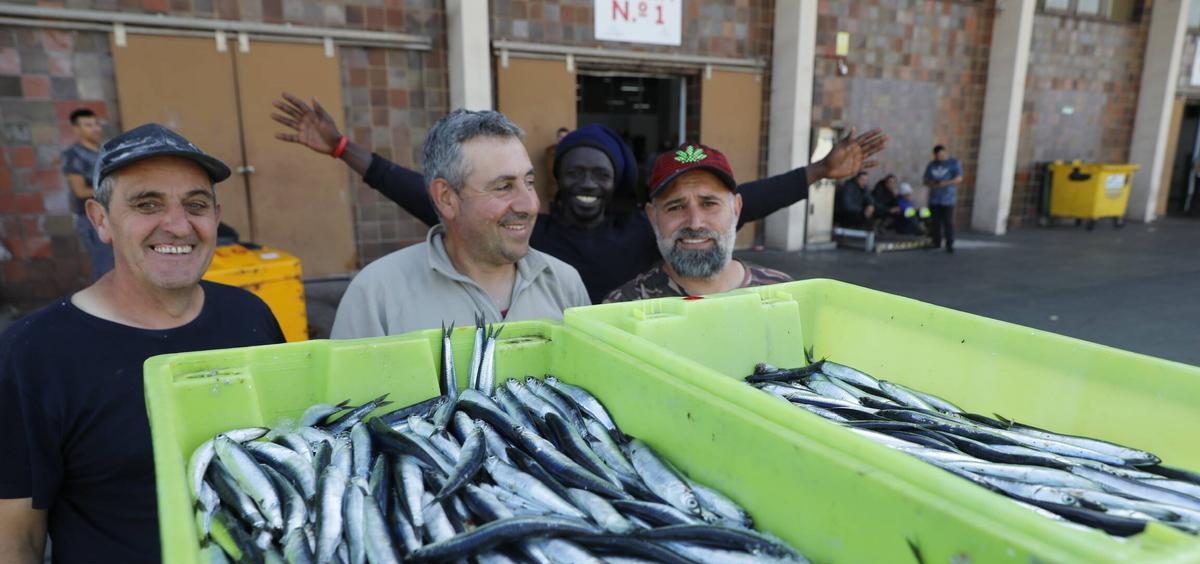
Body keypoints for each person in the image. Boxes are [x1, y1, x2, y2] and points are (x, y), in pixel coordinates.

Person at [0, 124, 285, 564]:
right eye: (147, 204)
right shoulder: (33, 354)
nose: (177, 225)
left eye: (195, 205)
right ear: (101, 221)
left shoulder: (250, 317)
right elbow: (13, 543)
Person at [271, 92, 888, 302]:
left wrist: (816, 173)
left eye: (601, 174)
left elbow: (731, 202)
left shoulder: (640, 232)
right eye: (576, 172)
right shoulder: (528, 230)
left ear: (619, 185)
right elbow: (428, 196)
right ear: (558, 178)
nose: (588, 184)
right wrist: (344, 149)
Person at [330, 109, 589, 338]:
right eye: (503, 187)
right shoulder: (377, 296)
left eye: (529, 183)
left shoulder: (564, 283)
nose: (529, 205)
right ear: (446, 198)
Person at [604, 143, 790, 302]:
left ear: (736, 208)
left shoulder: (785, 294)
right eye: (675, 207)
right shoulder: (623, 307)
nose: (695, 223)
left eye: (709, 204)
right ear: (653, 217)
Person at [61, 108, 112, 280]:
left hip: (112, 215)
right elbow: (80, 191)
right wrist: (115, 190)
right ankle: (98, 306)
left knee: (115, 266)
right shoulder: (72, 155)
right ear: (76, 129)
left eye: (96, 124)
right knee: (104, 268)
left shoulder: (106, 150)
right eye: (88, 125)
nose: (95, 128)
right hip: (91, 219)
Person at [924, 144, 963, 253]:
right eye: (937, 155)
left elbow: (959, 178)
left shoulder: (953, 163)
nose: (940, 157)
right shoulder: (932, 165)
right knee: (935, 221)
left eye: (941, 154)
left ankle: (949, 243)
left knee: (948, 222)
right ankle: (936, 241)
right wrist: (934, 183)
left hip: (947, 199)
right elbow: (925, 180)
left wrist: (946, 183)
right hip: (934, 198)